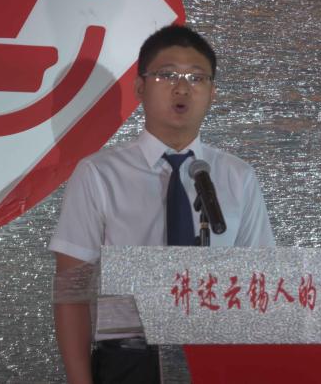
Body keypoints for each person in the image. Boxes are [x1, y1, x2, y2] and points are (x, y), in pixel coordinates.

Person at [49, 24, 275, 384]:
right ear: (140, 87)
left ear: (212, 93)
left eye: (197, 78)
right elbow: (71, 293)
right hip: (129, 360)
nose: (182, 88)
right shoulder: (99, 173)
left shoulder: (237, 177)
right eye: (167, 75)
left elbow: (260, 284)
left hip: (218, 359)